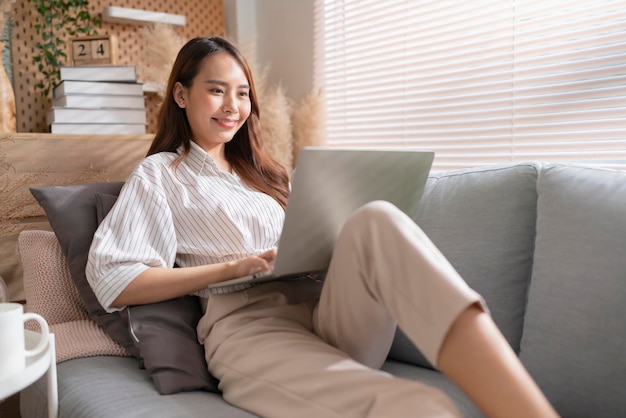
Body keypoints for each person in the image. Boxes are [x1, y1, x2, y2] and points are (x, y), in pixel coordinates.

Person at [86, 36, 559, 418]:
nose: (232, 104)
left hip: (328, 310)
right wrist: (230, 268)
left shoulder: (270, 174)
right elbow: (115, 278)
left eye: (242, 92)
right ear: (181, 93)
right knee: (420, 405)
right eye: (216, 89)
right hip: (250, 327)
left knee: (376, 217)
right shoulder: (162, 174)